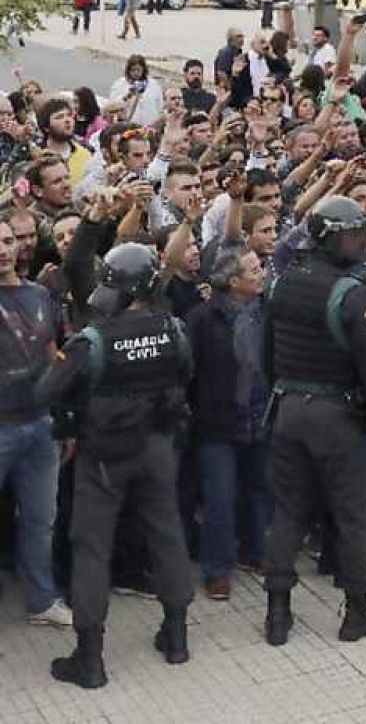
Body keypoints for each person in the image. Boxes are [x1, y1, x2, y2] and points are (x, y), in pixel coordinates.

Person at [38, 244, 195, 688]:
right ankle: (177, 637)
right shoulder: (175, 331)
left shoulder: (93, 341)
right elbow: (185, 377)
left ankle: (89, 660)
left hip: (103, 457)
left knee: (91, 548)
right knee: (167, 534)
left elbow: (47, 391)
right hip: (158, 447)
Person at [261, 196, 366, 647]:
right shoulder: (351, 295)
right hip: (338, 415)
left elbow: (267, 354)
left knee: (288, 510)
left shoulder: (282, 284)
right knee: (353, 514)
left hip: (288, 408)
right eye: (352, 234)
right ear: (328, 237)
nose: (361, 242)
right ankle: (357, 609)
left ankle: (277, 611)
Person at [185, 247, 272, 601]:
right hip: (217, 422)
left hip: (260, 416)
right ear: (234, 281)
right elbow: (188, 371)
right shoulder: (202, 319)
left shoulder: (268, 313)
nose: (263, 272)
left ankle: (255, 551)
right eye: (254, 269)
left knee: (260, 490)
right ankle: (217, 568)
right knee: (219, 497)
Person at [0, 217, 72, 629]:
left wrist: (63, 420)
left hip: (39, 425)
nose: (3, 250)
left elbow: (52, 356)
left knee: (40, 519)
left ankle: (41, 600)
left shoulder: (40, 294)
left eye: (8, 240)